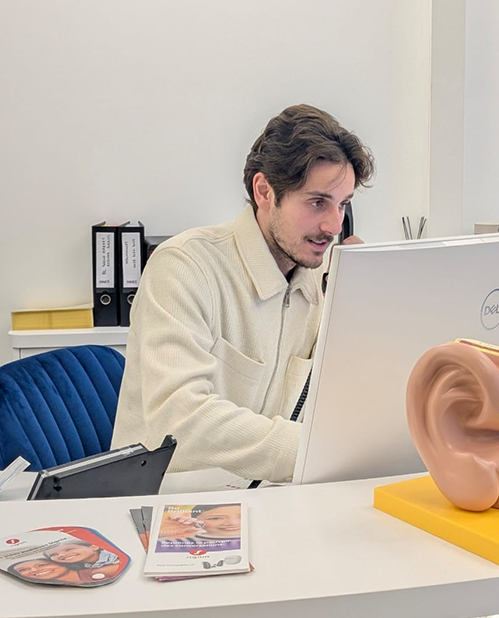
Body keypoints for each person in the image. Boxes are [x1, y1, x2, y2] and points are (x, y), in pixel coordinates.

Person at [111, 105, 375, 481]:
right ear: (265, 191)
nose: (333, 225)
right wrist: (317, 450)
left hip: (267, 502)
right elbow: (180, 423)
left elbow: (348, 402)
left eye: (343, 205)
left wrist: (358, 310)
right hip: (170, 507)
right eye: (318, 202)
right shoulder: (184, 267)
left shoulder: (320, 282)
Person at [44, 540, 122, 579]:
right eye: (53, 555)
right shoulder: (83, 568)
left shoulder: (114, 556)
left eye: (69, 549)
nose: (61, 555)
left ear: (94, 547)